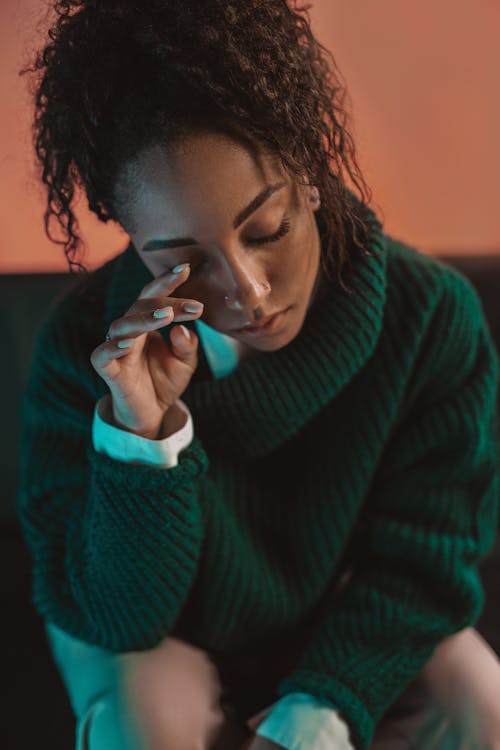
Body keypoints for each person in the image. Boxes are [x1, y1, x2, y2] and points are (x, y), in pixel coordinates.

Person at [17, 1, 500, 748]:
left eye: (267, 230)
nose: (248, 291)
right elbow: (119, 619)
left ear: (311, 173)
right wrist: (140, 437)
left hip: (333, 610)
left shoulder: (431, 318)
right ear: (128, 232)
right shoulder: (80, 349)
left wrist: (315, 715)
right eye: (182, 259)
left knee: (481, 702)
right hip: (158, 631)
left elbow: (424, 566)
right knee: (141, 726)